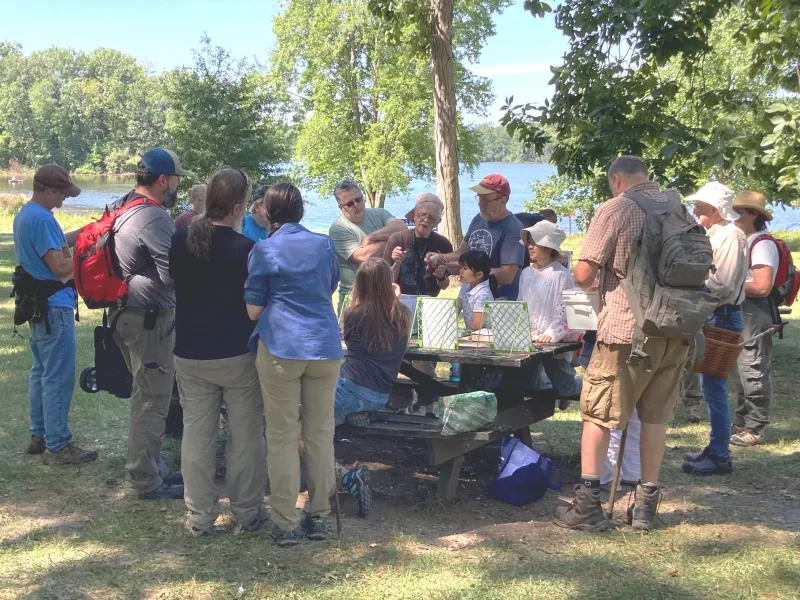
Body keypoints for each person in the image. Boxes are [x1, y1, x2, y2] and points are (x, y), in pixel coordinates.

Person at [553, 156, 690, 532]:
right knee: (655, 418)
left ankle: (587, 505)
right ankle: (645, 504)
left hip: (626, 330)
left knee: (597, 413)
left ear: (616, 180)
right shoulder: (678, 207)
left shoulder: (615, 208)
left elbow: (582, 275)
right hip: (675, 328)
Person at [169, 168, 267, 536]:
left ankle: (200, 516)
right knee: (245, 436)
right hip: (235, 352)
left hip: (190, 350)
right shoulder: (246, 250)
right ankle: (247, 512)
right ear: (239, 206)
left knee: (197, 433)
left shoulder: (180, 240)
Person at [245, 183, 344, 547]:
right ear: (301, 210)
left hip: (281, 348)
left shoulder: (264, 249)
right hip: (325, 346)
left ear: (268, 213)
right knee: (320, 434)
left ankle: (285, 521)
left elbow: (253, 309)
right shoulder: (323, 244)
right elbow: (330, 285)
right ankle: (318, 515)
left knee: (283, 436)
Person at [110, 147, 193, 500]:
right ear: (163, 180)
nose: (177, 186)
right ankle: (144, 479)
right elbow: (173, 275)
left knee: (148, 395)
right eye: (175, 179)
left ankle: (152, 466)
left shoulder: (123, 205)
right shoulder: (155, 217)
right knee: (153, 400)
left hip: (127, 313)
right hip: (148, 320)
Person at [12, 165, 98, 464]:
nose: (64, 200)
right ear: (48, 190)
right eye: (61, 194)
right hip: (54, 305)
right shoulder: (42, 218)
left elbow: (57, 245)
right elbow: (60, 267)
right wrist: (92, 248)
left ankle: (40, 434)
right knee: (58, 377)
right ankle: (58, 446)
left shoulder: (26, 214)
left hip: (37, 305)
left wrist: (85, 232)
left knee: (40, 373)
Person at [335, 258, 412, 515]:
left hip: (351, 386)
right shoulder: (403, 314)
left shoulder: (354, 313)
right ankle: (357, 416)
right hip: (380, 394)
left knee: (304, 432)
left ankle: (344, 476)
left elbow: (347, 343)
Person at [682, 182, 747, 476]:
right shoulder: (715, 233)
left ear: (713, 208)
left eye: (699, 206)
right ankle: (716, 447)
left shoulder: (731, 236)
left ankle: (720, 455)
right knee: (711, 388)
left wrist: (689, 286)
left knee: (714, 388)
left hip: (721, 314)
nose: (695, 210)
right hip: (713, 313)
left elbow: (722, 284)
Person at [427, 174, 525, 299]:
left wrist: (468, 270)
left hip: (498, 302)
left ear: (503, 200)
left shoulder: (513, 229)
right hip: (472, 297)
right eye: (479, 199)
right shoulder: (479, 218)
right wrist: (440, 257)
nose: (481, 204)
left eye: (486, 200)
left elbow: (507, 275)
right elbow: (462, 252)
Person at [730, 191, 778, 447]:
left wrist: (729, 282)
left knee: (753, 368)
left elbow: (762, 287)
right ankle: (741, 421)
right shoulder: (748, 241)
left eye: (739, 211)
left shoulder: (762, 244)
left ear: (754, 215)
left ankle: (756, 428)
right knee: (741, 370)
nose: (733, 216)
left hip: (755, 312)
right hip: (743, 310)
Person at [517, 221, 582, 398]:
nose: (530, 246)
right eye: (529, 242)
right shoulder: (526, 273)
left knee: (565, 387)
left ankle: (590, 384)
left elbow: (564, 310)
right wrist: (524, 330)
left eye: (535, 242)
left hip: (554, 340)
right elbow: (521, 304)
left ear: (547, 246)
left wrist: (552, 333)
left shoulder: (560, 274)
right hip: (531, 339)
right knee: (527, 386)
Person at [329, 180, 406, 313]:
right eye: (349, 203)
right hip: (355, 300)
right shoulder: (338, 229)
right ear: (341, 207)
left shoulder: (380, 214)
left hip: (384, 297)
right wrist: (389, 239)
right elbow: (364, 256)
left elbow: (402, 227)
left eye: (359, 199)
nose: (356, 205)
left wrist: (371, 237)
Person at [383, 193, 452, 296]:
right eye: (422, 214)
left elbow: (444, 285)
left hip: (428, 300)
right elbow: (385, 281)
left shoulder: (443, 244)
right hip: (399, 298)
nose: (426, 219)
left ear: (437, 222)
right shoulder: (397, 239)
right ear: (414, 215)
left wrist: (441, 277)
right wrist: (397, 264)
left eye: (432, 218)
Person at [457, 250, 496, 330]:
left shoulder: (483, 294)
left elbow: (476, 326)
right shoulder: (465, 286)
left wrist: (460, 334)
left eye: (465, 268)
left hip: (483, 338)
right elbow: (455, 308)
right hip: (470, 336)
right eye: (461, 267)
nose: (460, 271)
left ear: (479, 274)